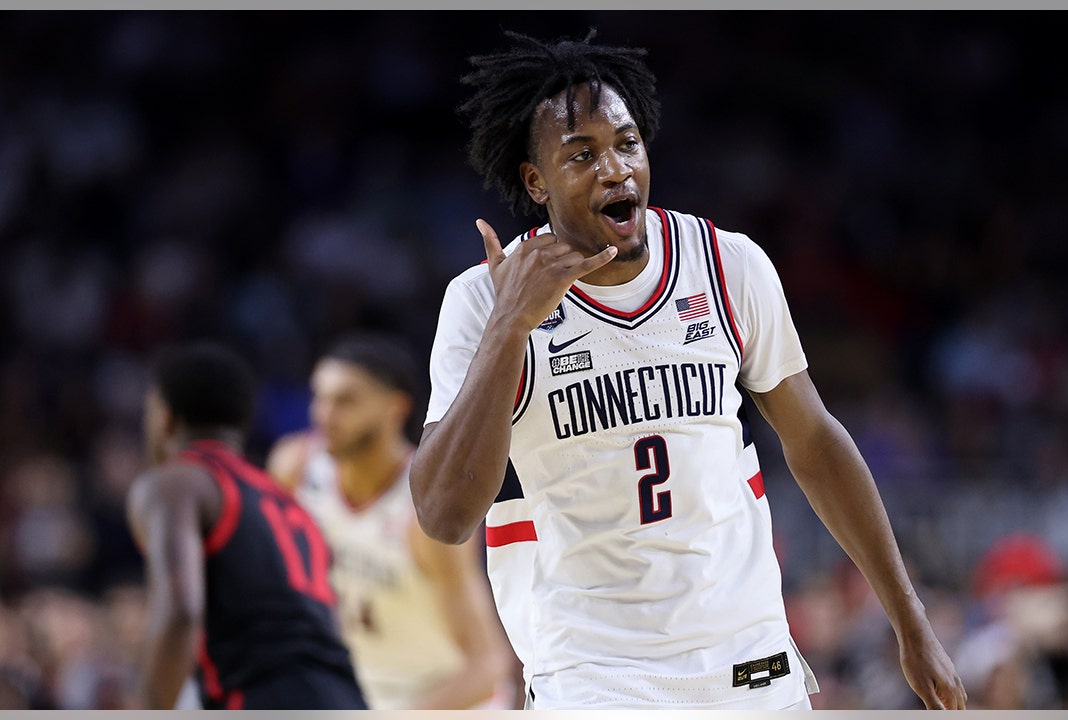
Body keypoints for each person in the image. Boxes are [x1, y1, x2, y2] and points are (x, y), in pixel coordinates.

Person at [410, 29, 967, 710]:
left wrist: (910, 621)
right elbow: (443, 515)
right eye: (581, 154)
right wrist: (510, 327)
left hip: (748, 660)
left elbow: (817, 444)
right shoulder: (482, 300)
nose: (614, 169)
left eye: (627, 143)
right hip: (594, 676)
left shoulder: (728, 263)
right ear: (536, 181)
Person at [267, 332, 512, 709]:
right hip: (353, 692)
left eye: (345, 401)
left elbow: (487, 665)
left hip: (440, 701)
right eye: (320, 397)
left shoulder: (425, 509)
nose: (324, 415)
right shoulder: (295, 469)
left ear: (395, 408)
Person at [125, 342, 366, 710]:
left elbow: (181, 611)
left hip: (266, 697)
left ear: (165, 417)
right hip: (348, 698)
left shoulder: (175, 483)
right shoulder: (293, 505)